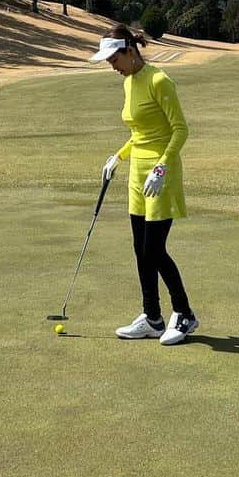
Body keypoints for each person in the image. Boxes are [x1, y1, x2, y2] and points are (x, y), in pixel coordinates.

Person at [89, 24, 198, 344]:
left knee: (154, 250)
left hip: (161, 176)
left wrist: (162, 167)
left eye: (114, 59)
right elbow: (139, 134)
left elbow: (180, 130)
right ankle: (152, 317)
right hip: (138, 175)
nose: (111, 66)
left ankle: (186, 314)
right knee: (140, 250)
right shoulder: (129, 82)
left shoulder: (159, 81)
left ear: (130, 51)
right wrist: (118, 157)